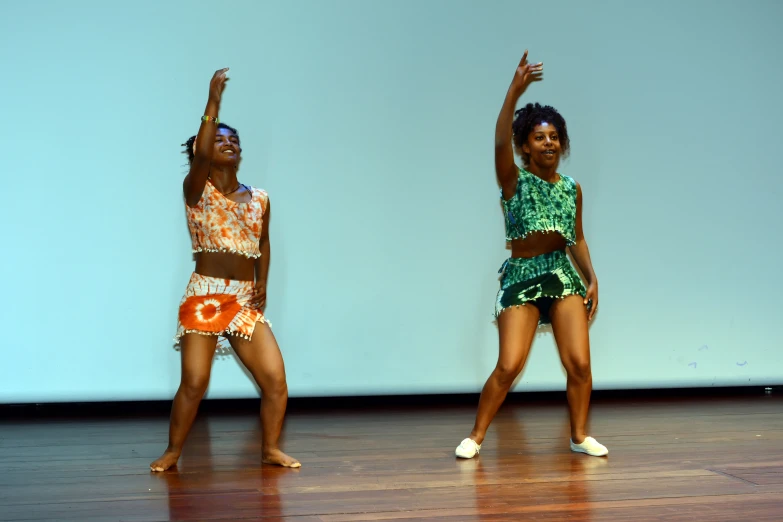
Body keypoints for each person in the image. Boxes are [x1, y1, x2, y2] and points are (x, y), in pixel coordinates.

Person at [455, 51, 608, 459]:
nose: (549, 143)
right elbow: (500, 139)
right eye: (539, 137)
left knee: (579, 364)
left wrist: (591, 277)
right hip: (523, 275)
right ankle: (475, 435)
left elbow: (576, 238)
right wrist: (513, 90)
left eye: (554, 137)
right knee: (509, 365)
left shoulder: (571, 187)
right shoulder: (513, 179)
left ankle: (579, 435)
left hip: (562, 275)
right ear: (525, 147)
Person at [151, 68, 300, 471]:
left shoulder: (261, 198)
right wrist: (213, 103)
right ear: (203, 151)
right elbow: (200, 154)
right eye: (219, 140)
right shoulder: (196, 189)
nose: (227, 143)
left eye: (233, 139)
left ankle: (270, 448)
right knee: (195, 382)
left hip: (243, 297)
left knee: (276, 380)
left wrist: (262, 283)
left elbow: (262, 243)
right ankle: (173, 451)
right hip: (206, 295)